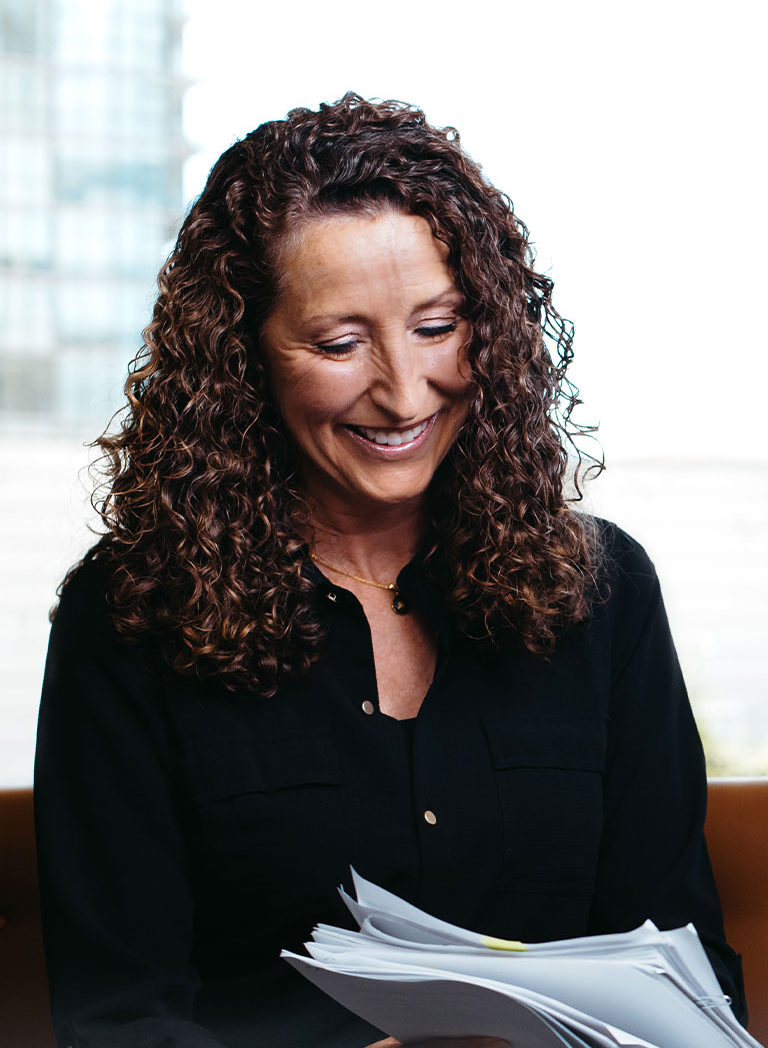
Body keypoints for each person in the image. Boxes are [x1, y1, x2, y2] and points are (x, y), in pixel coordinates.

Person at [34, 93, 746, 1048]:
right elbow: (118, 1019)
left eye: (438, 327)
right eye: (338, 343)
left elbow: (686, 965)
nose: (406, 392)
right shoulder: (129, 614)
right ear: (245, 357)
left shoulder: (602, 590)